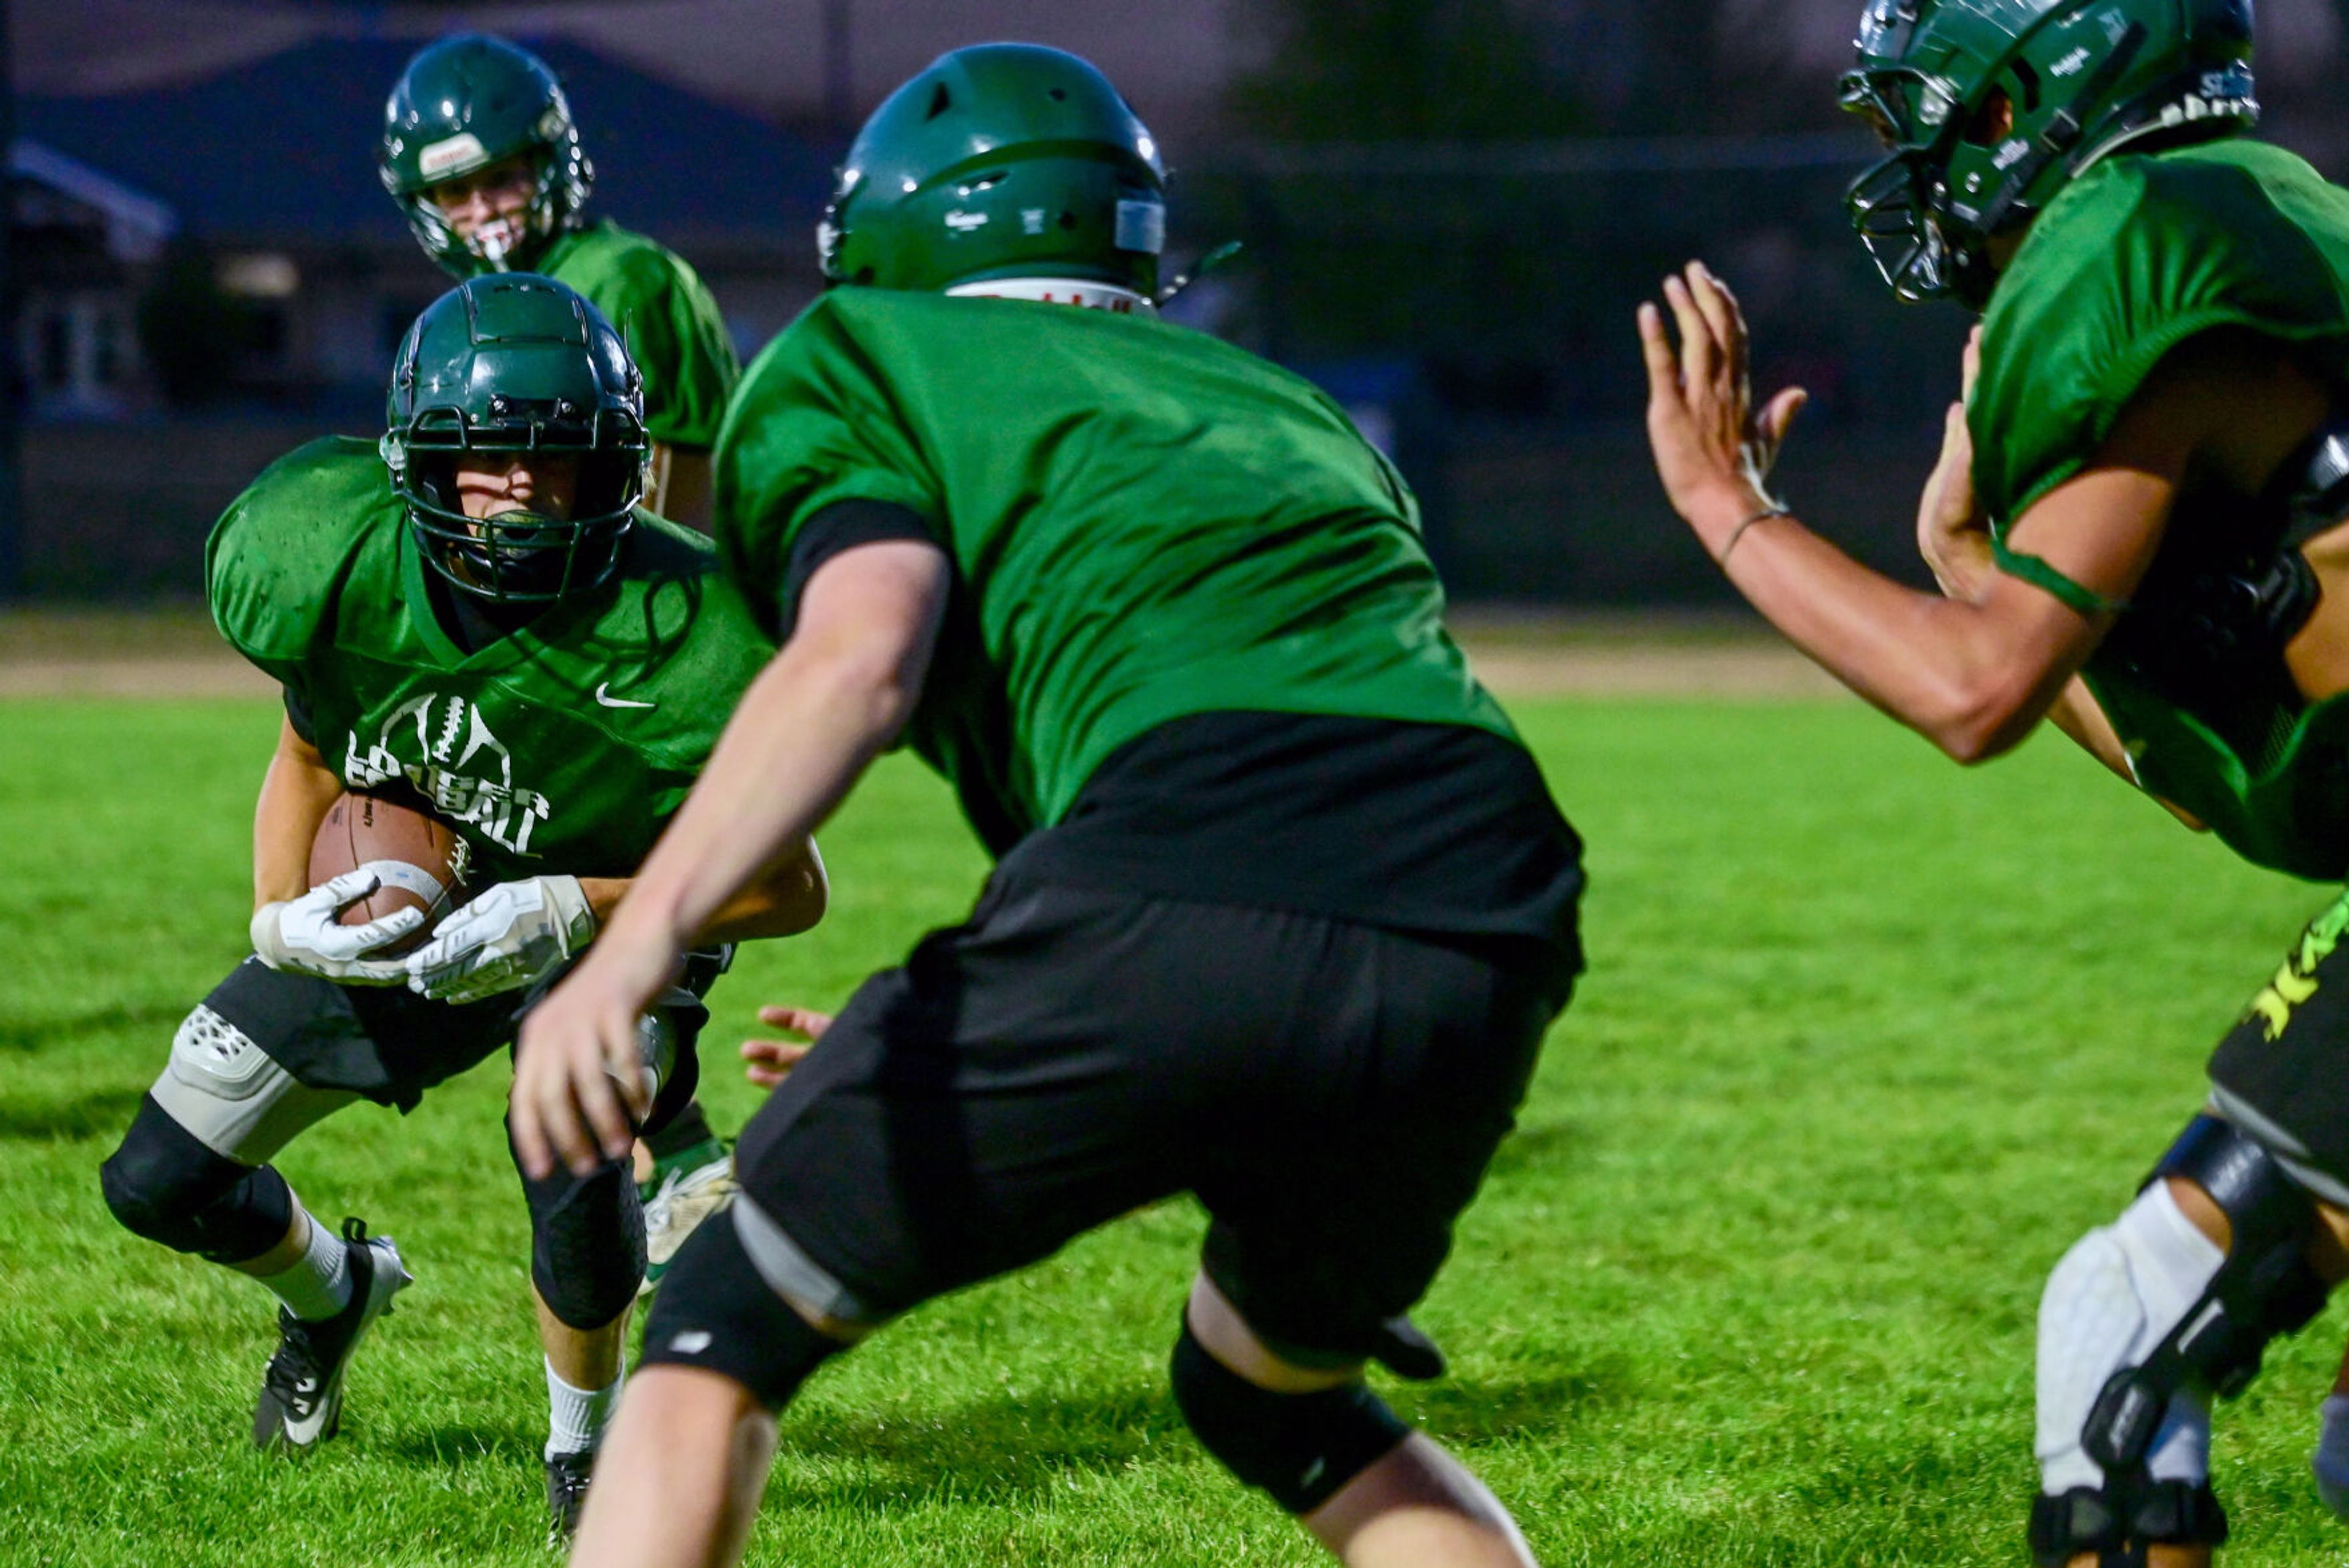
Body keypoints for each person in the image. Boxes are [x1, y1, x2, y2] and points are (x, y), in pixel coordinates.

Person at [505, 43, 1587, 1568]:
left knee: (718, 1323)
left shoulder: (873, 353)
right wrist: (1030, 1042)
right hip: (1487, 898)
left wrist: (633, 950)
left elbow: (864, 658)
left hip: (1178, 882)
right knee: (1278, 1399)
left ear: (891, 236)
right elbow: (1303, 762)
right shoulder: (1280, 404)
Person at [1639, 1, 2349, 1562]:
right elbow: (2230, 783)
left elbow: (1976, 699)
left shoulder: (2132, 234)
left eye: (1942, 101)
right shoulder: (2272, 201)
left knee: (2122, 1341)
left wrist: (1727, 512)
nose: (1925, 148)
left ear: (2044, 73)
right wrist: (1965, 562)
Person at [95, 273, 824, 1540]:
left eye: (555, 465)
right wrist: (281, 917)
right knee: (157, 1178)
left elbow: (787, 883)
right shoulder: (336, 561)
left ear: (620, 468)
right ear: (415, 460)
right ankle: (335, 1293)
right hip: (429, 886)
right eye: (485, 462)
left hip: (616, 920)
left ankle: (584, 1456)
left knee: (578, 1140)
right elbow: (314, 751)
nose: (522, 498)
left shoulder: (697, 624)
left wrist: (571, 905)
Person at [378, 31, 748, 1276]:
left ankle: (681, 1177)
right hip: (515, 662)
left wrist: (658, 663)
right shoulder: (470, 311)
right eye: (451, 191)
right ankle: (684, 1166)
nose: (480, 211)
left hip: (621, 661)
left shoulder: (627, 277)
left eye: (498, 178)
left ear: (555, 164)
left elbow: (680, 497)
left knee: (598, 949)